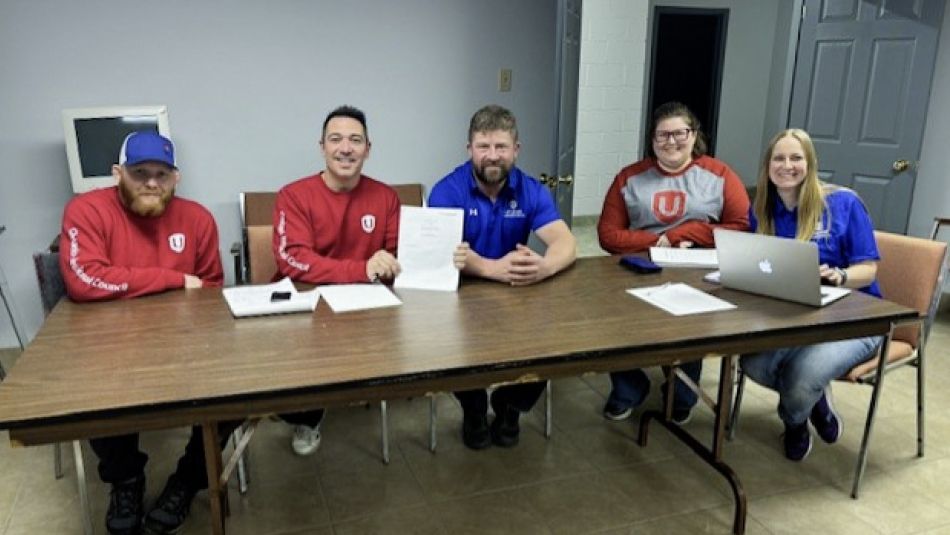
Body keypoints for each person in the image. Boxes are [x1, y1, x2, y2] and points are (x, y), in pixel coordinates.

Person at [59, 131, 234, 535]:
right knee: (99, 392)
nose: (152, 183)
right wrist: (172, 279)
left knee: (236, 394)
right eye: (140, 173)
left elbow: (210, 287)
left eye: (162, 173)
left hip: (183, 340)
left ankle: (187, 480)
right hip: (111, 345)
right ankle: (125, 481)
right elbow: (84, 281)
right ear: (118, 173)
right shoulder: (86, 210)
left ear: (176, 178)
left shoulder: (198, 218)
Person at [429, 104, 577, 450]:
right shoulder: (446, 190)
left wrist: (545, 266)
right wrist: (492, 268)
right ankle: (475, 410)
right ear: (470, 150)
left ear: (516, 150)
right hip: (463, 296)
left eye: (501, 147)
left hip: (518, 295)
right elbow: (443, 254)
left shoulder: (531, 190)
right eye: (483, 147)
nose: (492, 156)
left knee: (552, 345)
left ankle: (510, 406)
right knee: (449, 346)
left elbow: (565, 242)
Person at [597, 101, 750, 423]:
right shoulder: (630, 177)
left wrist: (691, 231)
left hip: (696, 268)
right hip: (639, 266)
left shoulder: (720, 175)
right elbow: (608, 235)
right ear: (652, 140)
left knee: (694, 324)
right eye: (662, 135)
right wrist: (659, 241)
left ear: (694, 135)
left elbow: (740, 226)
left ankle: (682, 394)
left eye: (679, 133)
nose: (671, 142)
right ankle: (628, 388)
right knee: (612, 319)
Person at [740, 128, 883, 461]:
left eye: (796, 158)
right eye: (778, 158)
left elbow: (869, 271)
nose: (786, 165)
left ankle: (795, 422)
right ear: (767, 165)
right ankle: (814, 401)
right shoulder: (762, 208)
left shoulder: (843, 202)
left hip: (855, 318)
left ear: (810, 163)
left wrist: (840, 275)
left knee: (801, 378)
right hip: (795, 316)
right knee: (752, 363)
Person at [272, 105, 401, 456]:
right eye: (336, 139)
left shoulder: (386, 197)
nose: (346, 148)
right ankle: (307, 414)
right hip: (307, 307)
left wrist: (391, 265)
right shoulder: (293, 195)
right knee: (281, 381)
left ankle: (338, 394)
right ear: (322, 146)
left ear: (368, 149)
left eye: (355, 140)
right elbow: (294, 259)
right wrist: (360, 270)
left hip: (364, 310)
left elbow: (392, 257)